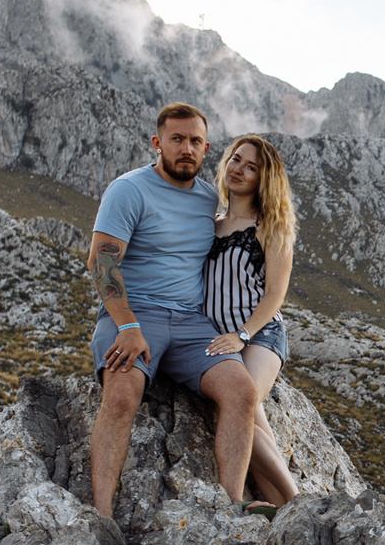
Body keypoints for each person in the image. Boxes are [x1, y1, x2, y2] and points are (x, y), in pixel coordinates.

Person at [84, 101, 267, 519]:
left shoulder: (208, 199)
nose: (186, 148)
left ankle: (230, 505)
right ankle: (102, 515)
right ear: (157, 143)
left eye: (196, 141)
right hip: (135, 315)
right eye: (177, 139)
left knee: (241, 392)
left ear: (206, 150)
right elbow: (101, 262)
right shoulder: (128, 189)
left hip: (191, 323)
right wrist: (128, 326)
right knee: (122, 395)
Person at [204, 135, 300, 508]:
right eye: (235, 159)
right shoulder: (209, 223)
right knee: (252, 419)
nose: (238, 169)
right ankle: (278, 509)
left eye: (251, 166)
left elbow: (276, 292)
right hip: (218, 336)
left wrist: (243, 334)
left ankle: (297, 502)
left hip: (260, 336)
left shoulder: (270, 226)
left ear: (264, 179)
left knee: (241, 405)